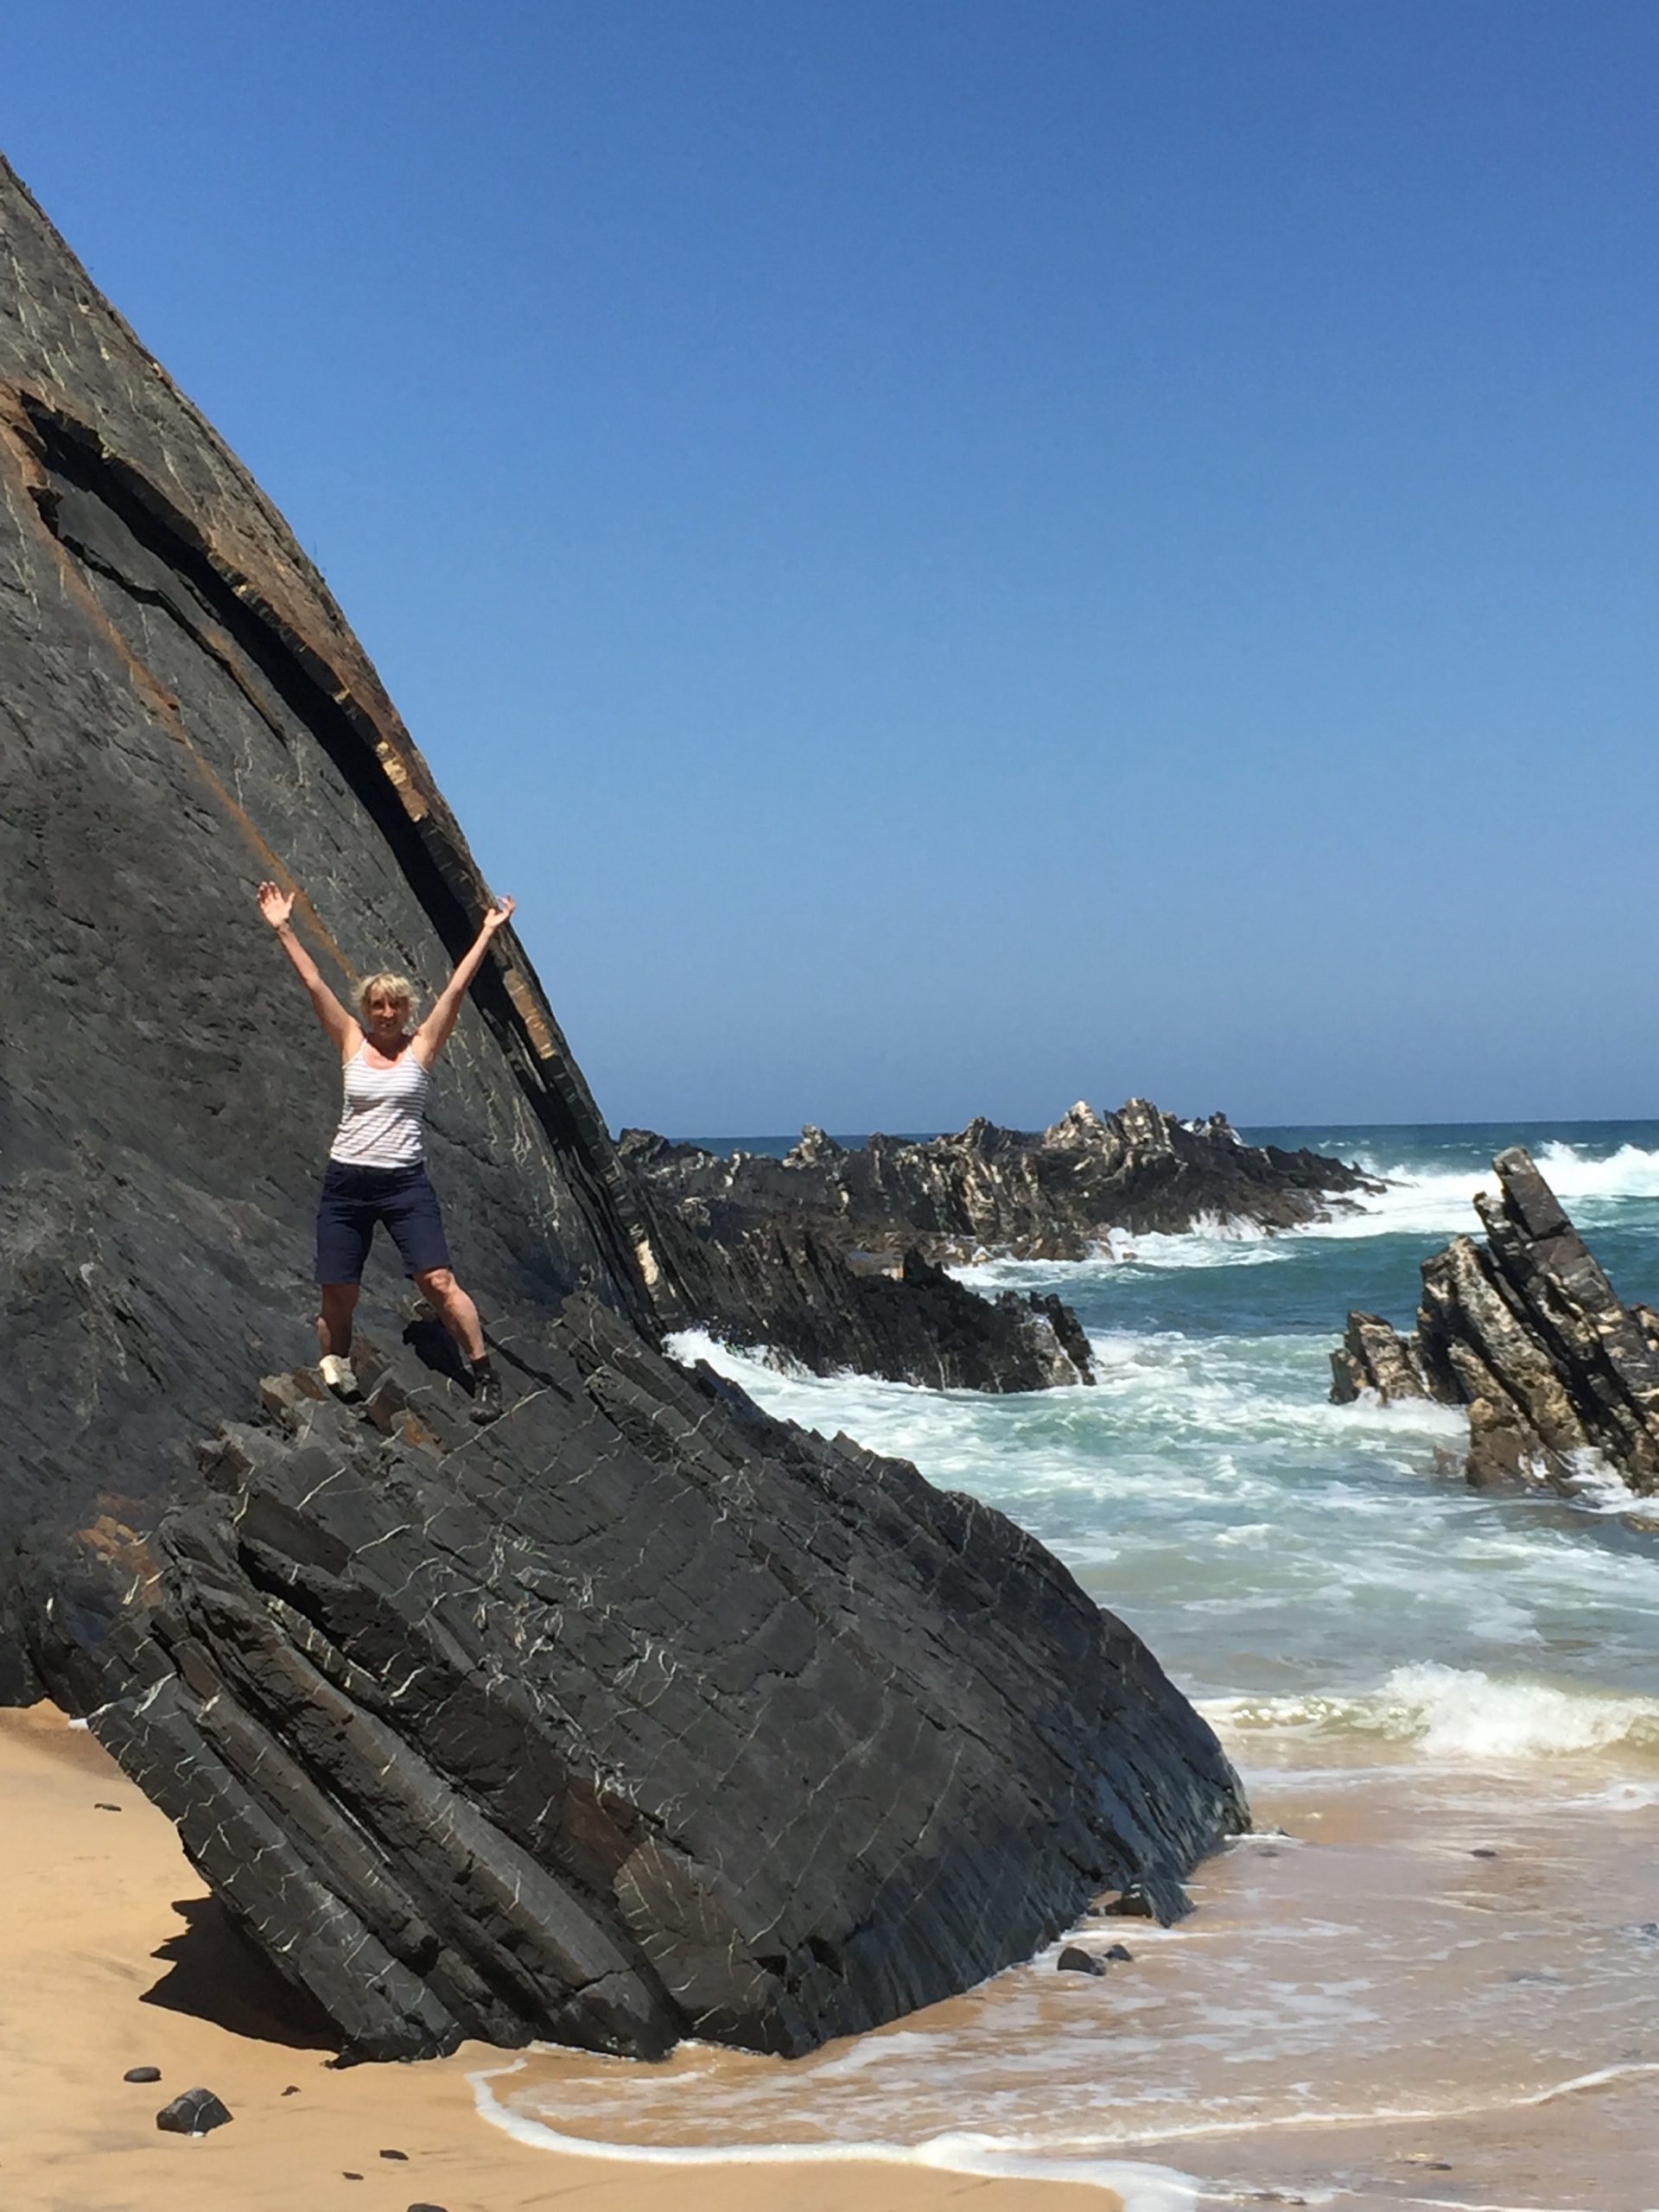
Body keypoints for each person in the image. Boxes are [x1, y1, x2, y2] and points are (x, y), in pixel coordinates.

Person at [257, 880, 517, 1422]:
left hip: (403, 1184)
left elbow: (455, 991)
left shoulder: (422, 1048)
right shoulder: (351, 1041)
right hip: (347, 1183)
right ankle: (337, 1363)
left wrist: (488, 932)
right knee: (338, 1290)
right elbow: (313, 982)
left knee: (439, 1282)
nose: (385, 1013)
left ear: (405, 1009)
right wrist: (284, 928)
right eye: (377, 1004)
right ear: (367, 1009)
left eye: (394, 1005)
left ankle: (484, 1374)